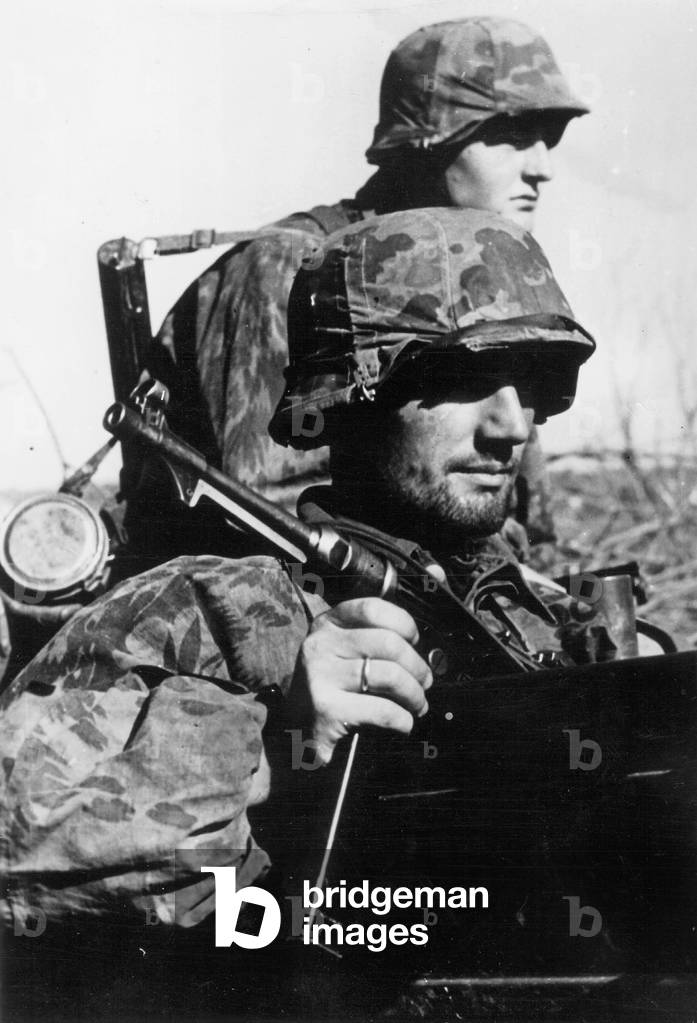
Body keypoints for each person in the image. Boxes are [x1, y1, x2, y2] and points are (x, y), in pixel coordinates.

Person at [1, 207, 614, 944]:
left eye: (533, 381)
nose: (512, 425)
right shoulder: (206, 608)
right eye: (464, 375)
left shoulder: (534, 609)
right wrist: (273, 747)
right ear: (351, 393)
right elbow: (18, 831)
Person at [133, 16, 589, 566]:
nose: (542, 168)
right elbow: (280, 525)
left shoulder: (488, 294)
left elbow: (533, 538)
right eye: (513, 137)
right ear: (428, 142)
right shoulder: (297, 272)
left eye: (550, 139)